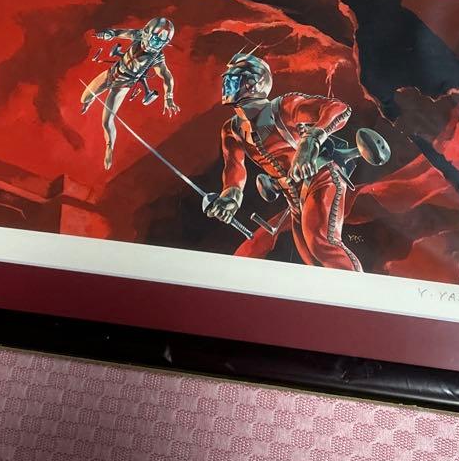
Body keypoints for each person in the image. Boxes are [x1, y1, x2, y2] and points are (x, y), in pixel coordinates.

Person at [205, 50, 361, 271]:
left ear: (253, 83)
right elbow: (234, 168)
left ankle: (356, 288)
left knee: (322, 244)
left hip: (321, 180)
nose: (226, 86)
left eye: (234, 80)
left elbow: (338, 108)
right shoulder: (232, 130)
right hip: (293, 197)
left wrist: (311, 141)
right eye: (227, 80)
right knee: (311, 257)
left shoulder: (284, 107)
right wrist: (229, 198)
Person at [79, 17, 179, 169]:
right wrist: (110, 34)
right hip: (111, 74)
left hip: (122, 85)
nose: (155, 45)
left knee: (106, 121)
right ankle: (89, 101)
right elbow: (120, 33)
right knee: (84, 98)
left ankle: (109, 146)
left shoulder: (157, 56)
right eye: (155, 39)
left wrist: (169, 97)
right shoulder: (139, 35)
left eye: (160, 43)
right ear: (147, 32)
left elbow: (167, 76)